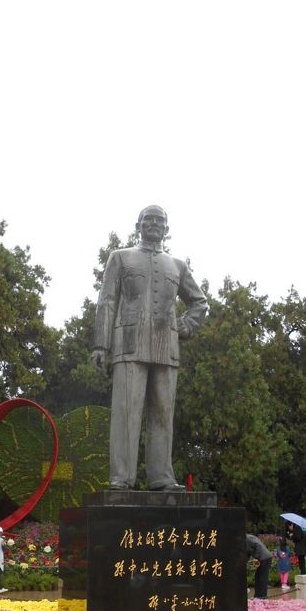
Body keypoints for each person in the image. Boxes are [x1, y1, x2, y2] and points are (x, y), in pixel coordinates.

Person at [91, 205, 207, 491]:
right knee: (126, 413)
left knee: (163, 414)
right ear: (138, 224)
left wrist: (186, 325)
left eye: (160, 220)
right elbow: (106, 301)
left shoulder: (177, 265)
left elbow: (200, 302)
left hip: (166, 347)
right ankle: (121, 478)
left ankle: (161, 478)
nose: (154, 224)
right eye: (149, 219)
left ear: (166, 228)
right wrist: (100, 345)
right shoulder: (120, 257)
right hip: (129, 344)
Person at [246, 534, 272, 599]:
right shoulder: (245, 540)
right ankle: (257, 595)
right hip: (262, 558)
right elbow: (248, 553)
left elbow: (258, 545)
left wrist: (256, 557)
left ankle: (262, 596)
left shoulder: (248, 538)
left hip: (265, 558)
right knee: (258, 577)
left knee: (262, 578)